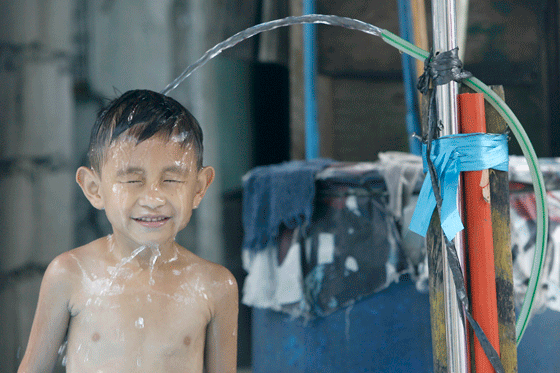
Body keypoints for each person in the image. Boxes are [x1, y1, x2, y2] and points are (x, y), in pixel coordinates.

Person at [18, 90, 238, 373]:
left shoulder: (215, 286)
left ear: (198, 188)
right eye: (133, 180)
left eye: (171, 179)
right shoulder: (71, 274)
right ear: (94, 189)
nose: (153, 198)